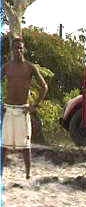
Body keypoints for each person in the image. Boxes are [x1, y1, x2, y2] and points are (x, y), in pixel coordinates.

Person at [2, 38, 48, 179]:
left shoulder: (30, 67)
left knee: (25, 145)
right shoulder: (7, 67)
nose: (19, 51)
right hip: (8, 109)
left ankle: (28, 174)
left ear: (24, 49)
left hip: (23, 110)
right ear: (12, 50)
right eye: (16, 48)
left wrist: (34, 106)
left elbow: (44, 87)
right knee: (3, 145)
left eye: (21, 48)